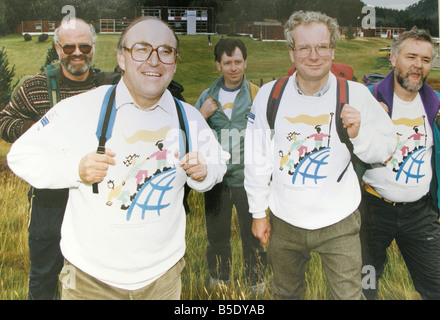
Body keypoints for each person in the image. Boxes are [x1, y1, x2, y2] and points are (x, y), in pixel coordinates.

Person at [7, 16, 229, 300]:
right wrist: (75, 169)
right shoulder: (81, 107)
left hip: (162, 280)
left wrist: (204, 172)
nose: (154, 60)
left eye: (165, 51)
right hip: (91, 283)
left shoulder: (189, 116)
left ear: (174, 61)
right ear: (121, 58)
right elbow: (22, 155)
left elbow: (218, 161)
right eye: (141, 49)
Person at [244, 10, 396, 300]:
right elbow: (256, 158)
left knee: (349, 296)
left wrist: (359, 133)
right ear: (291, 52)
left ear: (332, 49)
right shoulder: (268, 95)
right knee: (286, 294)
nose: (314, 55)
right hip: (284, 220)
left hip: (339, 220)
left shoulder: (356, 94)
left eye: (322, 46)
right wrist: (257, 213)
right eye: (304, 47)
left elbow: (387, 148)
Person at [0, 17, 98, 300]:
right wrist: (35, 129)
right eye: (69, 48)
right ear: (57, 48)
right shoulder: (35, 87)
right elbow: (4, 121)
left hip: (95, 197)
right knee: (44, 274)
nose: (77, 53)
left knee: (92, 274)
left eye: (84, 46)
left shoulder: (110, 87)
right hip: (49, 196)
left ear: (93, 47)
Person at [361, 27, 440, 300]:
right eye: (411, 56)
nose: (418, 65)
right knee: (366, 284)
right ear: (394, 59)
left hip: (420, 215)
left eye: (426, 60)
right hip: (373, 212)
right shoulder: (369, 99)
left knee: (435, 285)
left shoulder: (434, 104)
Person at [194, 38, 266, 290]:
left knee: (253, 236)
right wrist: (201, 115)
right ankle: (219, 281)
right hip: (218, 182)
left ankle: (256, 283)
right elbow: (194, 136)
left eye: (238, 61)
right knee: (217, 236)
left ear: (245, 62)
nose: (233, 68)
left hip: (249, 181)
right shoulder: (206, 97)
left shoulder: (258, 94)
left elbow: (269, 136)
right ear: (218, 65)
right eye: (227, 63)